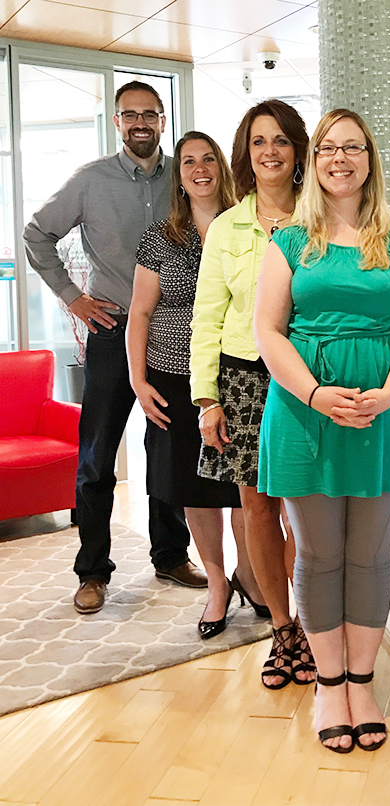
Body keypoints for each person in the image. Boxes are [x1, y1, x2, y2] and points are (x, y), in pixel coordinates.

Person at [254, 109, 390, 753]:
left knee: (370, 556)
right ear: (315, 159)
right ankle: (330, 682)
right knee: (319, 554)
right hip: (305, 410)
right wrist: (312, 391)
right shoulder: (286, 243)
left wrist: (388, 393)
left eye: (352, 148)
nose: (339, 158)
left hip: (384, 411)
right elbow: (268, 331)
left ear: (369, 160)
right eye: (329, 147)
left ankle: (363, 679)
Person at [23, 81, 206, 616]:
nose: (141, 123)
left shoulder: (185, 176)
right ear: (118, 122)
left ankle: (171, 554)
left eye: (150, 113)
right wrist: (72, 297)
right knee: (97, 457)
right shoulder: (89, 181)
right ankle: (92, 571)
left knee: (168, 448)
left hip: (173, 334)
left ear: (164, 119)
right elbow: (36, 234)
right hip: (111, 330)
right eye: (131, 115)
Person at [190, 101, 315, 684]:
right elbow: (207, 316)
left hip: (309, 377)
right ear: (247, 153)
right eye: (259, 141)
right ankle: (282, 629)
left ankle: (316, 628)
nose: (270, 151)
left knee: (308, 512)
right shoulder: (226, 227)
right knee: (258, 509)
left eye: (281, 141)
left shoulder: (320, 220)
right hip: (243, 379)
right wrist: (207, 400)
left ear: (297, 152)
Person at [127, 131, 269, 639]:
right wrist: (138, 380)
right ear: (178, 174)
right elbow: (140, 313)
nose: (200, 168)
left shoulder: (246, 224)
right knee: (194, 490)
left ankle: (251, 576)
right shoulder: (161, 236)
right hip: (171, 376)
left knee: (242, 489)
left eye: (208, 158)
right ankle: (216, 585)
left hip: (235, 375)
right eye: (189, 161)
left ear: (222, 167)